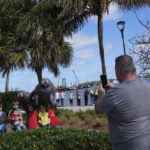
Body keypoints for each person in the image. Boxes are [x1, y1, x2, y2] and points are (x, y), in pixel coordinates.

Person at [95, 55, 150, 150]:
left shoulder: (115, 94)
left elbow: (98, 109)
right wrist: (115, 90)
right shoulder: (147, 85)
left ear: (119, 70)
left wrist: (101, 95)